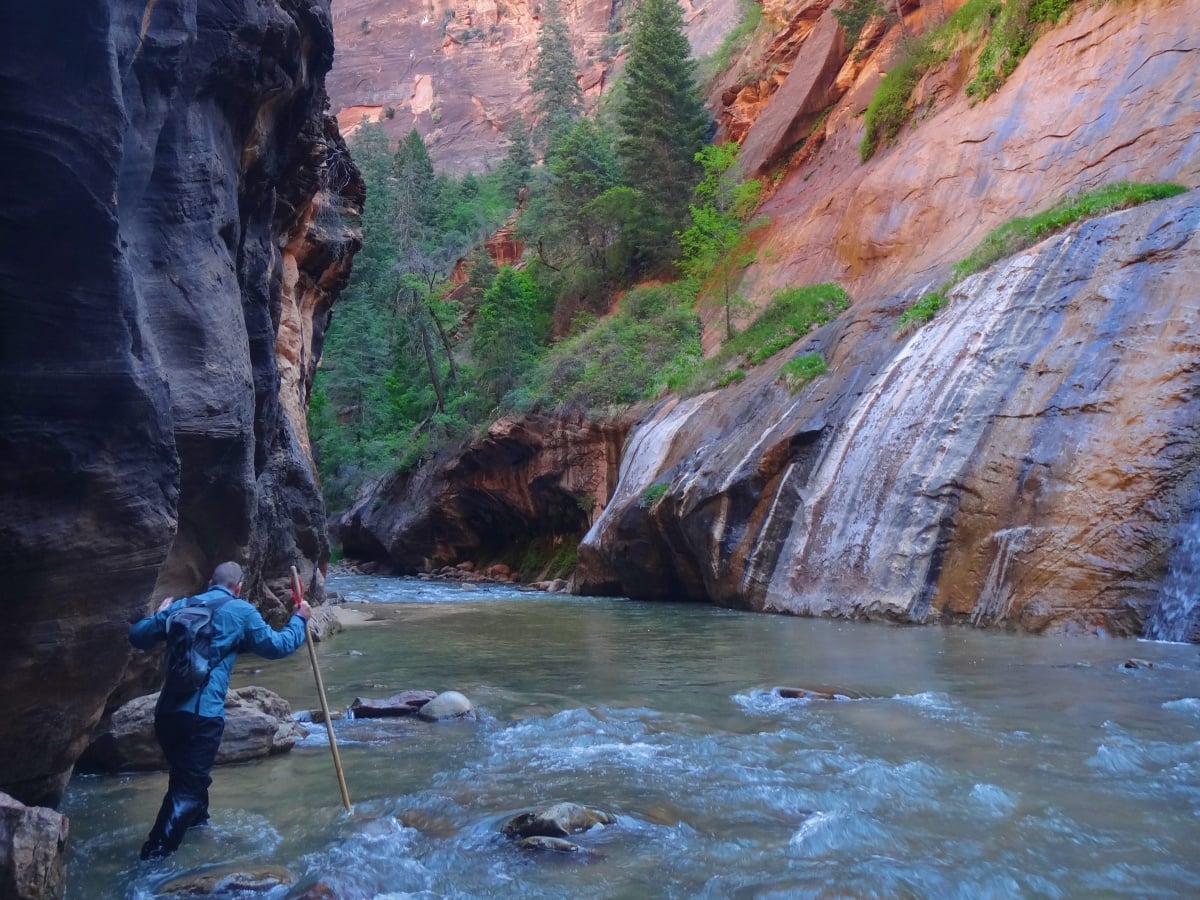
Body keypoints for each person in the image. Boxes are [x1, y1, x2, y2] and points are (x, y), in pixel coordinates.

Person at [128, 560, 312, 860]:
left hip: (167, 715)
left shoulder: (183, 606)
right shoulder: (241, 612)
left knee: (189, 776)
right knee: (187, 788)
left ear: (210, 581)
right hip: (202, 717)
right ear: (238, 587)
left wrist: (160, 615)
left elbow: (137, 635)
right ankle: (153, 860)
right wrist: (300, 619)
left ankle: (199, 833)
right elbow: (278, 646)